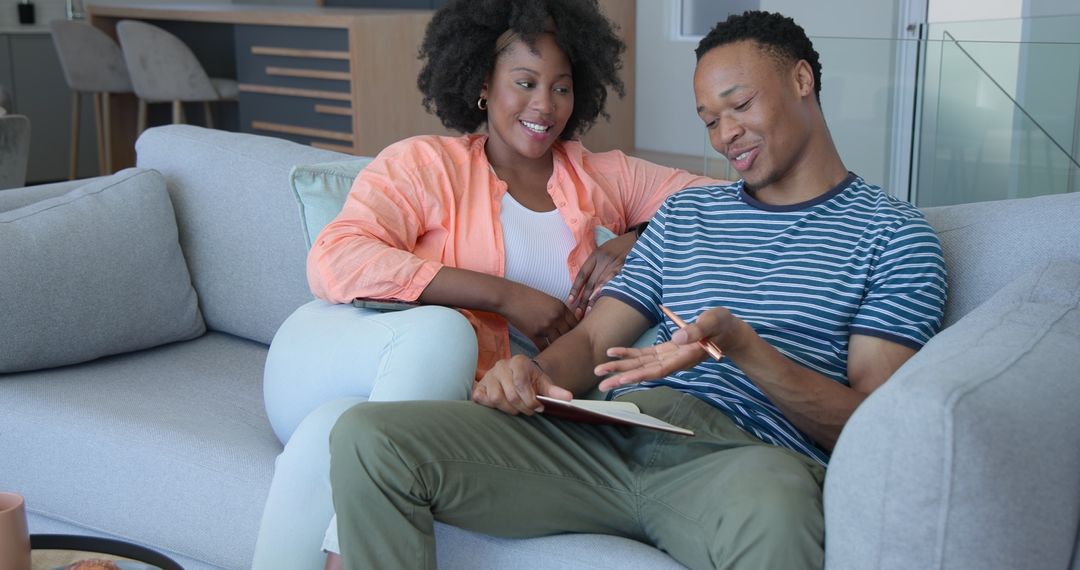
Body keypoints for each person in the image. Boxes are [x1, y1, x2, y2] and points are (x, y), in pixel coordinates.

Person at [327, 10, 948, 570]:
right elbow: (593, 338)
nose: (726, 135)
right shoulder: (686, 217)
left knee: (778, 511)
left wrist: (743, 348)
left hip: (741, 459)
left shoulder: (893, 236)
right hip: (610, 431)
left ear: (802, 79)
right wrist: (531, 373)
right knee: (370, 439)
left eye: (740, 105)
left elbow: (872, 427)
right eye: (710, 120)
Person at [252, 1, 722, 568]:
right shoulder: (426, 164)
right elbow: (337, 258)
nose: (544, 104)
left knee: (325, 437)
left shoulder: (602, 177)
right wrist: (505, 296)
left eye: (561, 87)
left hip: (406, 404)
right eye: (524, 82)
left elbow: (723, 202)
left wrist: (639, 235)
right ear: (482, 84)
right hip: (334, 351)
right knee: (443, 334)